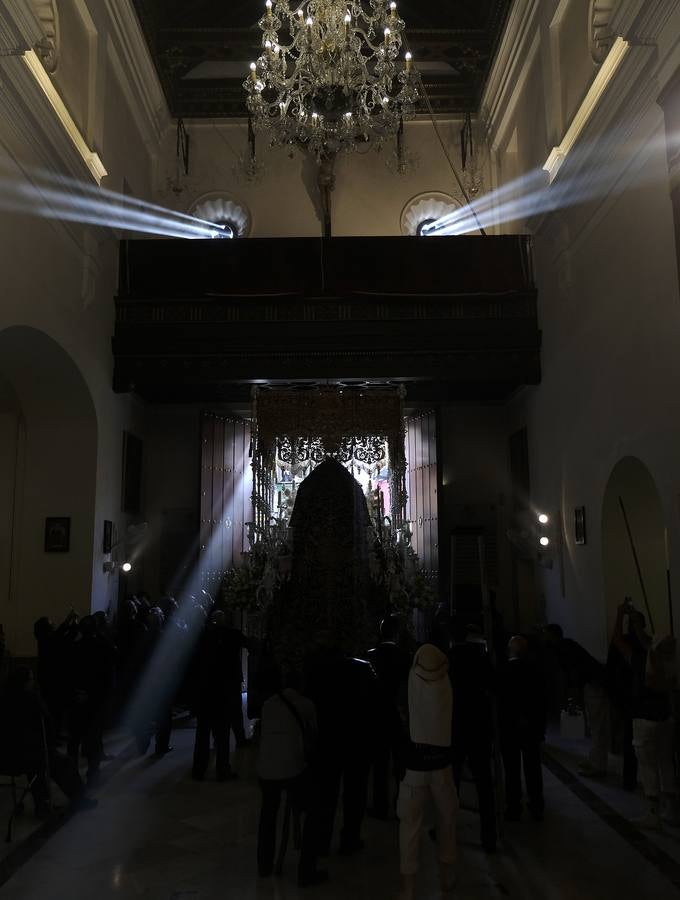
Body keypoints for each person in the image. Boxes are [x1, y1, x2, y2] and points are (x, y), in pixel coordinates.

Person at [397, 643, 457, 900]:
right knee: (447, 823)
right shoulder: (448, 684)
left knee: (409, 829)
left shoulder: (407, 684)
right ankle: (445, 877)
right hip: (442, 766)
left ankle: (409, 890)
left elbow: (399, 720)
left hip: (414, 767)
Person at [305, 645, 378, 857]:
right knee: (355, 793)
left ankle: (321, 842)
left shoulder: (317, 671)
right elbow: (374, 703)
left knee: (326, 795)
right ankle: (350, 839)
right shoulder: (363, 669)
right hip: (357, 740)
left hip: (328, 741)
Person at [256, 666, 325, 886]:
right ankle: (307, 869)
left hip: (266, 772)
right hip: (293, 771)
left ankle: (264, 864)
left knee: (268, 813)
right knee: (315, 810)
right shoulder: (306, 705)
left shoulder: (268, 705)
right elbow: (314, 735)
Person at [611, 602, 678, 828]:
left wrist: (620, 614)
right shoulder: (670, 663)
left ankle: (653, 812)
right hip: (666, 717)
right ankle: (672, 809)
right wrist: (639, 625)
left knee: (648, 766)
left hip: (644, 717)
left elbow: (618, 640)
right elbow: (648, 642)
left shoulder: (640, 661)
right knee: (666, 762)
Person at [0, 666, 97, 815]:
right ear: (24, 682)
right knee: (61, 762)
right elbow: (48, 722)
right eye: (31, 679)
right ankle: (79, 799)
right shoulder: (31, 698)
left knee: (38, 765)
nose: (33, 682)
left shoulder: (4, 699)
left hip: (8, 757)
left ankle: (42, 804)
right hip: (31, 753)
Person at [450, 625, 497, 852]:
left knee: (451, 783)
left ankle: (447, 831)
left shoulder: (448, 659)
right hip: (479, 724)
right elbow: (492, 686)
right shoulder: (481, 656)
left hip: (456, 725)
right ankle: (489, 837)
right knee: (484, 783)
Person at [544, 622, 610, 778]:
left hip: (594, 685)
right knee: (595, 727)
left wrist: (572, 694)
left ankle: (598, 766)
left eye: (545, 634)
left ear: (551, 635)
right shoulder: (566, 645)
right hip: (594, 683)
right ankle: (595, 761)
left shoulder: (562, 649)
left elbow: (573, 672)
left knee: (597, 728)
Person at [367, 614, 410, 819]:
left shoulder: (371, 656)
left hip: (375, 715)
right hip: (398, 715)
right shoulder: (404, 656)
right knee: (400, 764)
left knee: (379, 764)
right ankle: (401, 803)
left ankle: (380, 805)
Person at [191, 611, 243, 781]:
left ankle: (199, 769)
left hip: (205, 692)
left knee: (202, 734)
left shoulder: (202, 637)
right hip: (223, 693)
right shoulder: (233, 636)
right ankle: (222, 769)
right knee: (222, 735)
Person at [499, 635, 546, 822]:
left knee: (511, 769)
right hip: (531, 727)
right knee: (533, 768)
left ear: (510, 650)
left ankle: (513, 805)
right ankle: (536, 805)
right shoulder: (534, 670)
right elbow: (541, 701)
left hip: (509, 728)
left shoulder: (504, 671)